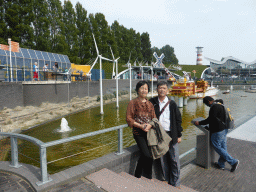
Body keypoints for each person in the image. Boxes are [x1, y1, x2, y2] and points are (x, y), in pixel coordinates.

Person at [149, 81, 183, 188]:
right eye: (160, 88)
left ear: (167, 90)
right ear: (157, 89)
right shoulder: (153, 102)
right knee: (163, 160)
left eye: (164, 88)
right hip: (159, 135)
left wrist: (178, 135)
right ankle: (168, 180)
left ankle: (176, 183)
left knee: (174, 159)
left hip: (171, 134)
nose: (162, 90)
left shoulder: (172, 104)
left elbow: (178, 120)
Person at [194, 96, 239, 172]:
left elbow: (210, 119)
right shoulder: (220, 105)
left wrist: (199, 122)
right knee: (223, 147)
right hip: (224, 129)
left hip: (218, 131)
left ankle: (233, 162)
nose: (206, 105)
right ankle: (221, 165)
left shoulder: (214, 107)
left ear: (209, 101)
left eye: (206, 103)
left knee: (217, 146)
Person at [126, 81, 156, 179]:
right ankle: (137, 176)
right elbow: (129, 119)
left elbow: (154, 119)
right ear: (138, 90)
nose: (144, 90)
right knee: (146, 155)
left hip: (149, 132)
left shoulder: (150, 104)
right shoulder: (133, 103)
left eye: (146, 88)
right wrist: (140, 126)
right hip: (138, 133)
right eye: (142, 88)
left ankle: (147, 176)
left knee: (150, 155)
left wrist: (149, 126)